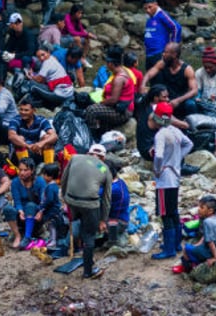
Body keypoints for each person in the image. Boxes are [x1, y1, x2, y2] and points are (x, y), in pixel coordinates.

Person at [149, 101, 193, 260]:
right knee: (173, 211)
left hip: (165, 178)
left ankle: (169, 249)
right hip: (175, 175)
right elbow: (189, 144)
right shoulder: (175, 130)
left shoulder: (160, 134)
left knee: (165, 213)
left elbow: (159, 155)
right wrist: (178, 158)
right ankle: (175, 244)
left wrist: (157, 168)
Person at [61, 150, 112, 279]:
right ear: (103, 158)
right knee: (89, 236)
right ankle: (88, 271)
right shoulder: (104, 168)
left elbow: (64, 179)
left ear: (88, 153)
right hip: (90, 205)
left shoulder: (75, 158)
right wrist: (103, 220)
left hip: (71, 200)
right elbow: (107, 199)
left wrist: (65, 198)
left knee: (77, 223)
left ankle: (76, 250)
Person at [85, 46, 134, 137]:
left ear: (111, 64)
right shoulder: (121, 72)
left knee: (91, 110)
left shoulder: (119, 78)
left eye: (107, 63)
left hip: (122, 111)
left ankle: (93, 136)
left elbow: (113, 100)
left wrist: (100, 103)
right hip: (118, 107)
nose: (106, 65)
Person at [173, 195, 216, 274]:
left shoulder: (207, 222)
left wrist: (215, 258)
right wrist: (198, 244)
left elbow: (210, 242)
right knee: (195, 246)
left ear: (210, 211)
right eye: (199, 206)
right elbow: (207, 235)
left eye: (202, 207)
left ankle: (188, 268)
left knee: (186, 248)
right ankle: (193, 261)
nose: (198, 209)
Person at [141, 42, 198, 119]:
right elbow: (149, 74)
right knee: (145, 98)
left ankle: (192, 127)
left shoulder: (187, 69)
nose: (163, 54)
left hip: (181, 99)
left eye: (165, 52)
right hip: (166, 98)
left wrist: (178, 100)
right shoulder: (162, 63)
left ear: (174, 55)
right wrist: (143, 85)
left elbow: (194, 91)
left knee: (191, 104)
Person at [10, 157, 47, 249]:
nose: (22, 173)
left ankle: (27, 237)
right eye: (20, 170)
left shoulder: (40, 181)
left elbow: (44, 200)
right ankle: (17, 235)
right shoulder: (15, 182)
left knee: (30, 205)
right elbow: (17, 200)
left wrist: (41, 211)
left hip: (35, 214)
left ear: (32, 170)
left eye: (25, 170)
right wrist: (20, 210)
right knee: (8, 209)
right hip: (22, 215)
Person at [27, 42, 75, 109]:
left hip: (61, 95)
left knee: (31, 84)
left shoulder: (47, 63)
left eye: (43, 55)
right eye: (39, 57)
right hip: (68, 92)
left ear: (48, 52)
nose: (41, 58)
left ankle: (43, 103)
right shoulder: (52, 58)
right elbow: (43, 79)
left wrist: (31, 76)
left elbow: (39, 80)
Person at [143, 0, 182, 69]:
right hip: (149, 54)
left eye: (150, 7)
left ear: (156, 4)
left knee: (160, 78)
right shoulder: (149, 18)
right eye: (145, 8)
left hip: (159, 53)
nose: (148, 10)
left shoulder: (161, 15)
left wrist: (173, 46)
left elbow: (176, 27)